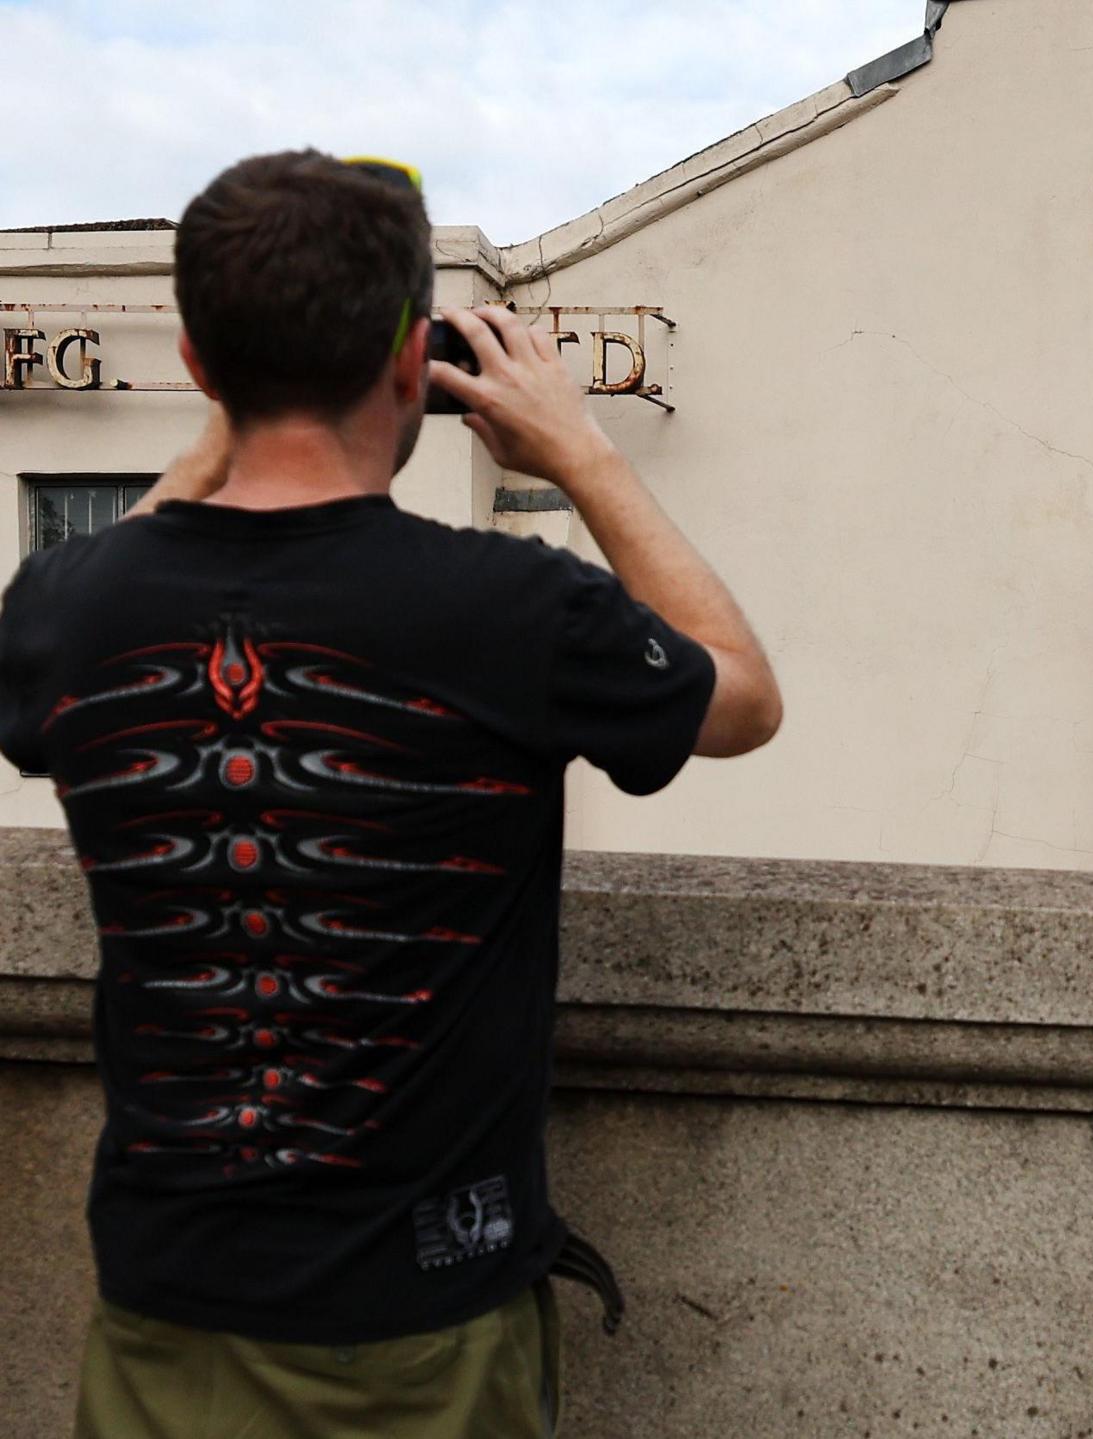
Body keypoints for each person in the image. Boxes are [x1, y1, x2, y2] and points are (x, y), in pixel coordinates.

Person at [0, 150, 782, 1437]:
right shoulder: (511, 606)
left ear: (198, 362)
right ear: (413, 363)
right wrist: (583, 451)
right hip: (430, 1335)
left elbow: (75, 630)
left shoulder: (67, 607)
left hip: (161, 1325)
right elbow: (742, 696)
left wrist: (223, 433)